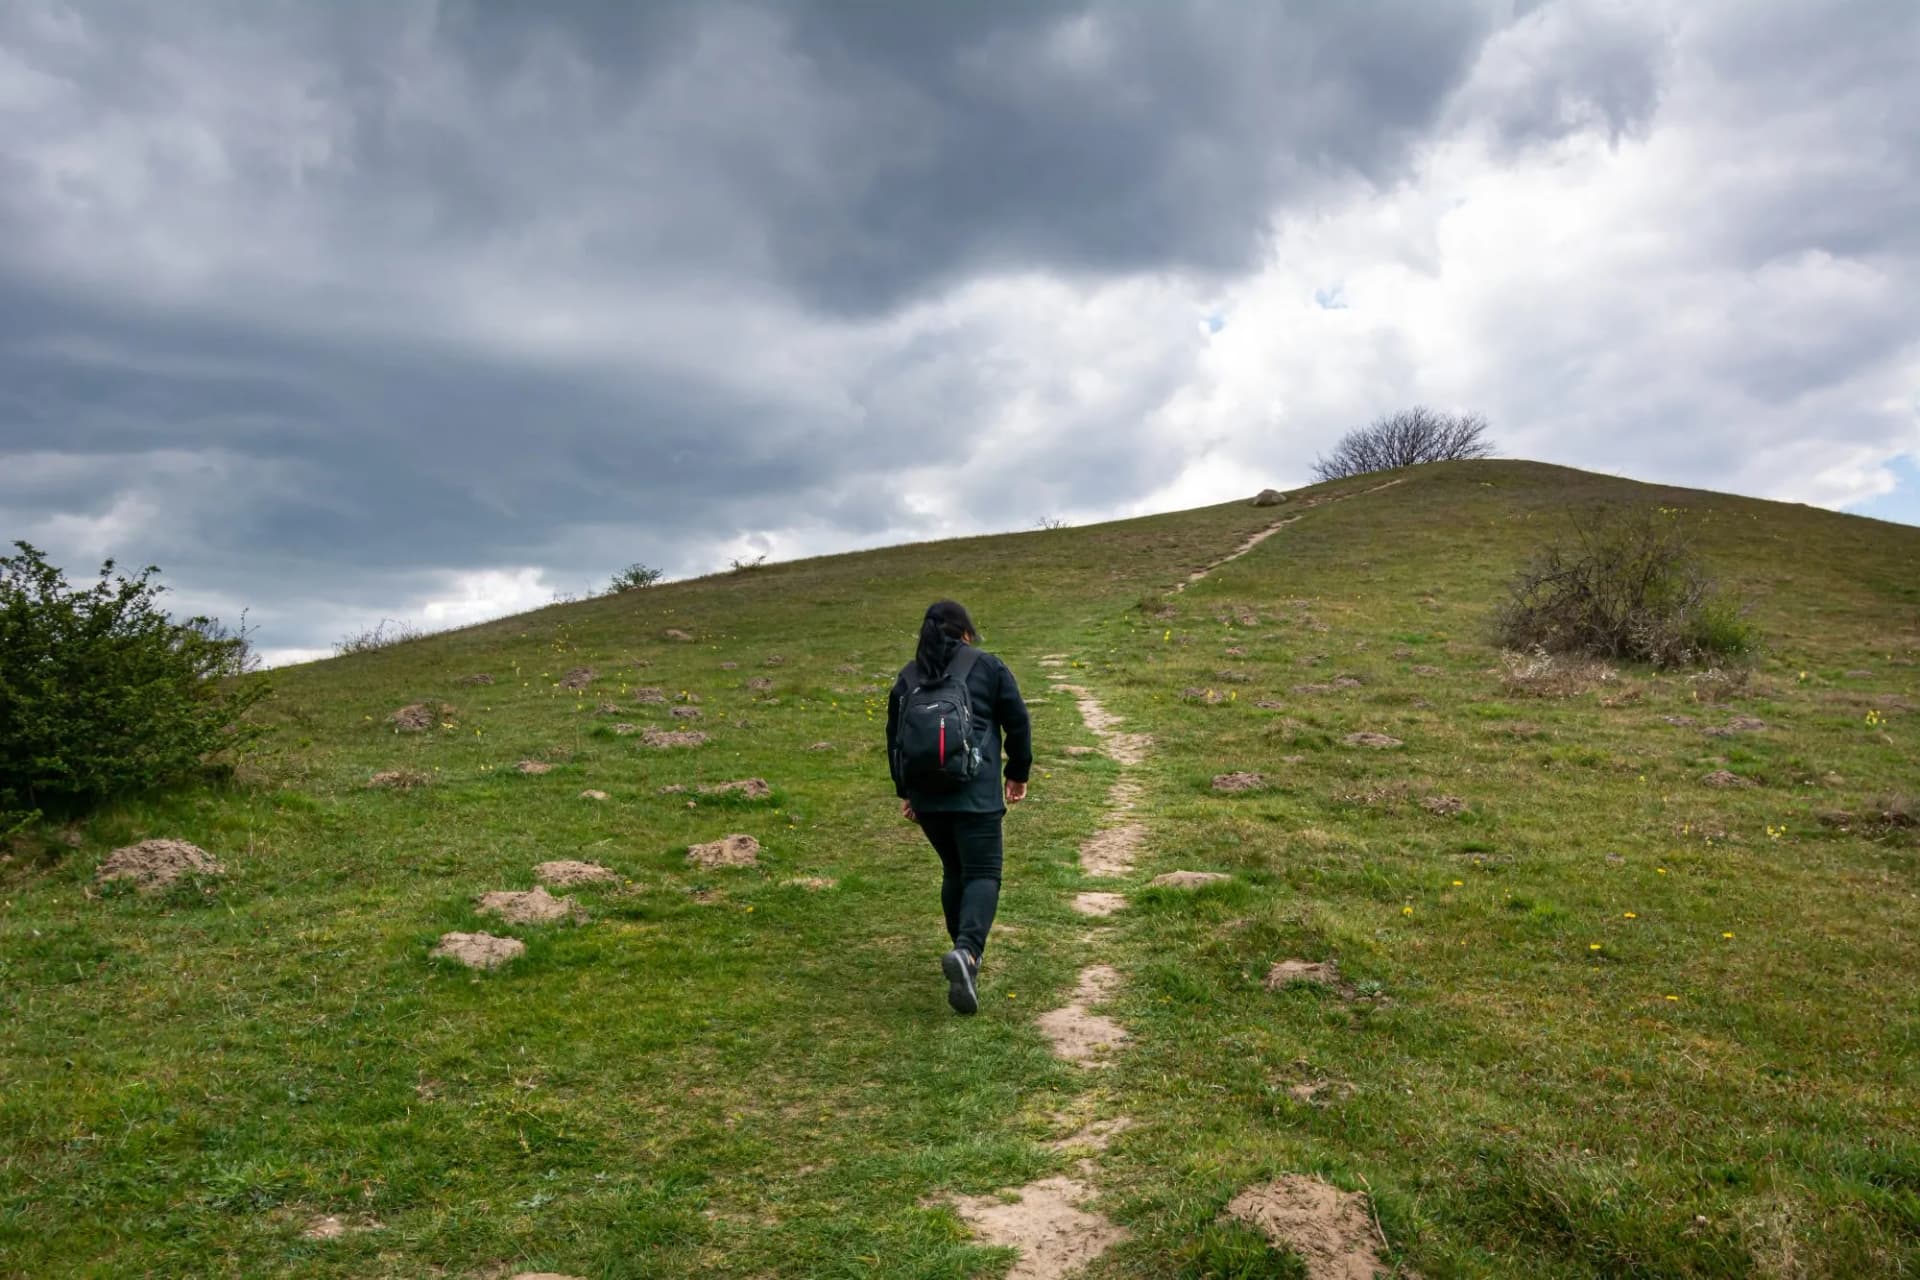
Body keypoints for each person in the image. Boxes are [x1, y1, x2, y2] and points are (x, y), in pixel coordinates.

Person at [886, 600, 1032, 1015]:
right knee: (983, 872)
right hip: (976, 793)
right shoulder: (987, 665)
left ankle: (963, 955)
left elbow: (894, 737)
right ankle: (967, 955)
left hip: (929, 798)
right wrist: (1017, 773)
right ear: (965, 631)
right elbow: (1017, 721)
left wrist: (907, 792)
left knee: (954, 870)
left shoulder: (908, 676)